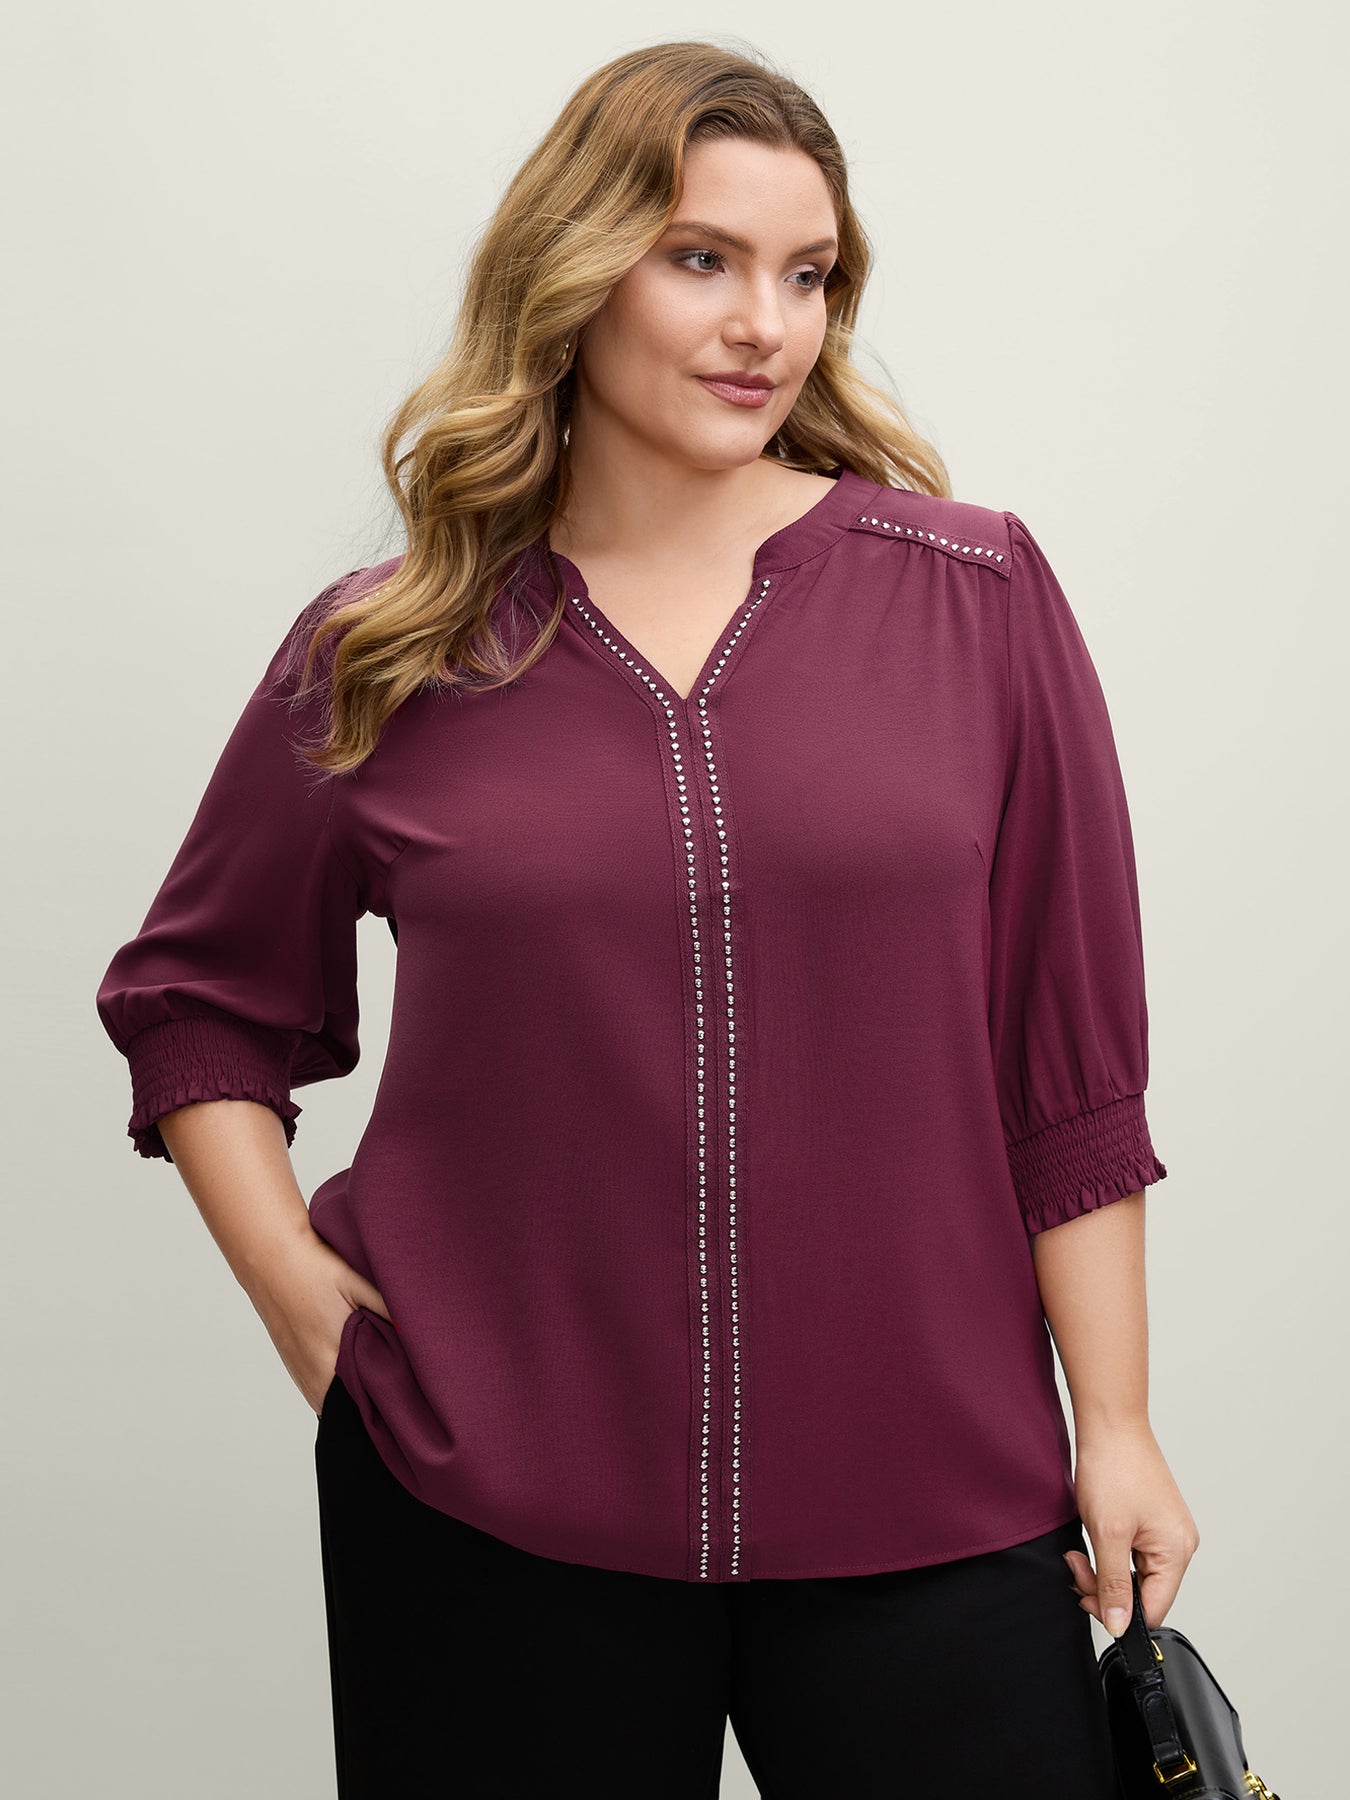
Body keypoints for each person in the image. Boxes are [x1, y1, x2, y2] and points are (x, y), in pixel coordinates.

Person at [94, 38, 1198, 1799]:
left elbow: (1062, 1071)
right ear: (576, 266)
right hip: (486, 1511)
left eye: (807, 273)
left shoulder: (972, 597)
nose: (765, 323)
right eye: (701, 258)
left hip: (934, 1493)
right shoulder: (393, 646)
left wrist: (1117, 1425)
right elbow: (199, 999)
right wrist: (304, 1302)